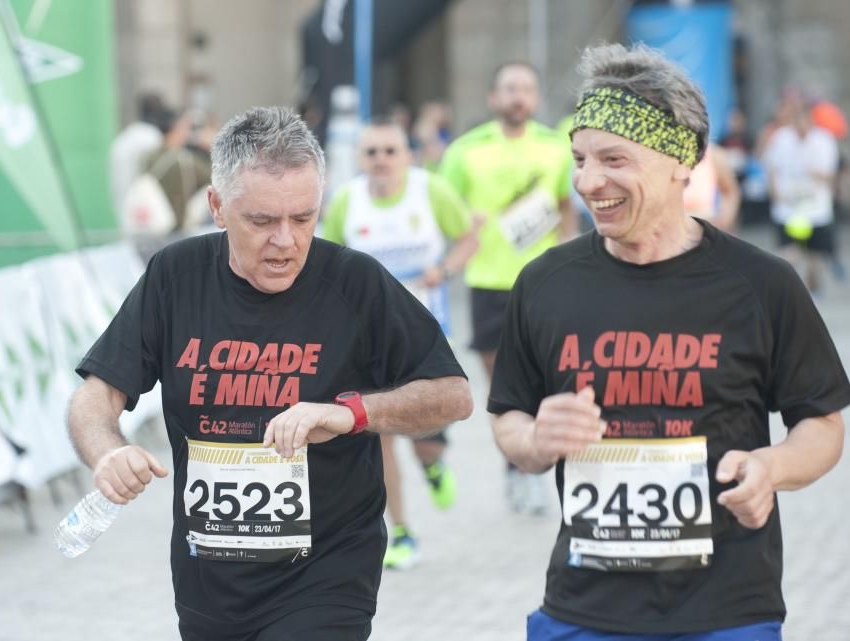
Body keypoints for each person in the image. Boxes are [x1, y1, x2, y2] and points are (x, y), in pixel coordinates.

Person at [488, 43, 850, 640]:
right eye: (579, 158)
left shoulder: (761, 285)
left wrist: (772, 466)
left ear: (682, 161)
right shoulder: (544, 283)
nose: (588, 181)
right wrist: (533, 441)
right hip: (583, 607)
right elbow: (509, 415)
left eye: (614, 159)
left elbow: (823, 426)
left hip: (727, 609)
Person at [68, 106, 473, 641]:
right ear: (217, 207)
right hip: (210, 578)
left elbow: (453, 395)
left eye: (303, 218)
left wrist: (351, 413)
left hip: (327, 572)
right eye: (261, 221)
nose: (285, 241)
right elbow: (97, 393)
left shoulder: (355, 283)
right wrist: (107, 452)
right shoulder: (176, 276)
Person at [321, 118, 478, 570]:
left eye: (390, 151)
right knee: (380, 433)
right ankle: (402, 531)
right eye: (372, 153)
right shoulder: (347, 201)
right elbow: (328, 264)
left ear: (406, 155)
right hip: (368, 340)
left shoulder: (430, 191)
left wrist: (444, 270)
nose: (381, 161)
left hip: (425, 335)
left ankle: (432, 465)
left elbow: (469, 237)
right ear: (360, 159)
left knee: (424, 439)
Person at [440, 61, 575, 515]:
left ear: (535, 99)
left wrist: (574, 255)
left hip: (544, 282)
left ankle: (535, 469)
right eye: (509, 88)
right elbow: (444, 208)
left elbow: (564, 206)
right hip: (489, 282)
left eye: (526, 89)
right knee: (503, 385)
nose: (518, 96)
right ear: (493, 98)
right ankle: (516, 467)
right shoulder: (465, 151)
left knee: (547, 378)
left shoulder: (557, 147)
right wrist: (463, 224)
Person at [762, 100, 840, 294]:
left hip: (816, 207)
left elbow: (831, 174)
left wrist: (816, 173)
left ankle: (814, 287)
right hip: (788, 206)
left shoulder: (824, 141)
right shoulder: (780, 138)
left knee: (814, 256)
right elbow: (770, 167)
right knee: (788, 252)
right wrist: (774, 192)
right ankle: (791, 290)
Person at [681, 143, 741, 232]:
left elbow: (730, 191)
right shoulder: (662, 155)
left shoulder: (713, 154)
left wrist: (724, 221)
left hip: (704, 226)